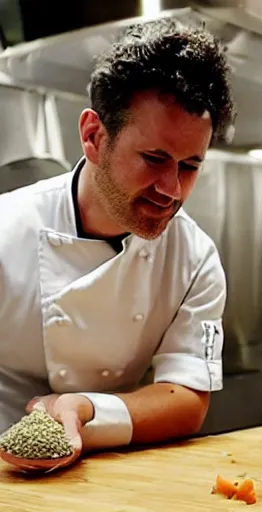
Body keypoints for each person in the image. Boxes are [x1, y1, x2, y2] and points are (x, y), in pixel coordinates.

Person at [0, 17, 236, 471]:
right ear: (93, 136)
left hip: (104, 473)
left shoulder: (195, 258)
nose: (171, 190)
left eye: (189, 166)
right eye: (153, 159)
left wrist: (86, 410)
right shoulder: (7, 228)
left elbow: (186, 397)